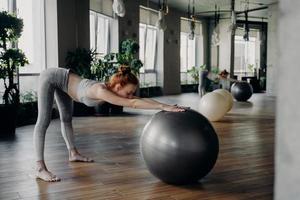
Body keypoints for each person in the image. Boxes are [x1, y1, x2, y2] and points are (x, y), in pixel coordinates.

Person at [33, 66, 185, 182]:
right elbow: (133, 103)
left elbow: (136, 100)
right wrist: (163, 107)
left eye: (132, 93)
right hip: (51, 77)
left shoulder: (110, 89)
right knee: (43, 121)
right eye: (129, 92)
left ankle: (73, 153)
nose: (130, 96)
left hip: (65, 82)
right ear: (118, 87)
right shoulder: (101, 91)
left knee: (66, 118)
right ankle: (40, 168)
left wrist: (164, 105)